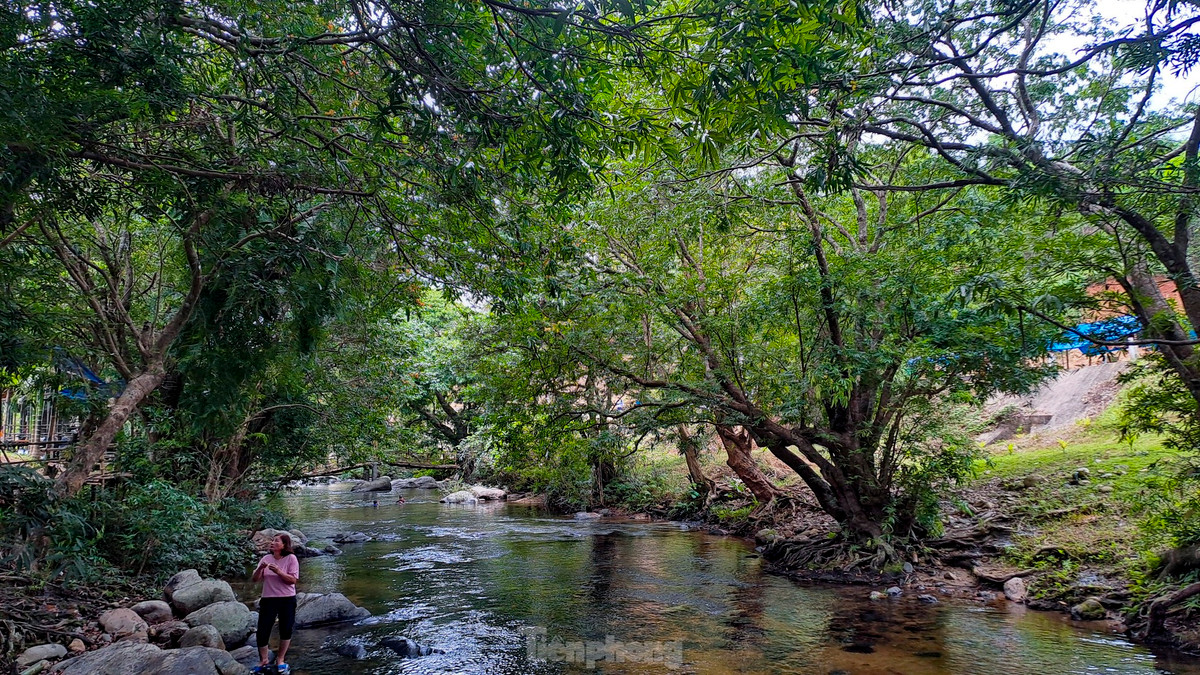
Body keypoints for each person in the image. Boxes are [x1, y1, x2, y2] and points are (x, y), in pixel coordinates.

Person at [252, 534, 300, 673]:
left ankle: (280, 659)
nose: (272, 543)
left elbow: (292, 580)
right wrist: (261, 568)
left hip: (287, 599)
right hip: (268, 599)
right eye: (272, 540)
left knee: (285, 629)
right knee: (262, 630)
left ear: (284, 545)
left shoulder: (291, 558)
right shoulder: (266, 558)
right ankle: (264, 660)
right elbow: (255, 579)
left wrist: (278, 571)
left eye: (276, 541)